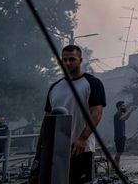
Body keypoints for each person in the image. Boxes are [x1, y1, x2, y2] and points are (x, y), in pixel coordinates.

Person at [34, 45, 106, 184]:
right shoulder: (55, 87)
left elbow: (96, 113)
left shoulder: (92, 83)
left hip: (80, 149)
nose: (67, 63)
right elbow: (47, 119)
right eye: (64, 60)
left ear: (80, 60)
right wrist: (39, 151)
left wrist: (82, 139)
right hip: (54, 150)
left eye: (72, 59)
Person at [113, 101, 137, 167]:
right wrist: (130, 111)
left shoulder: (120, 114)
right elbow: (124, 118)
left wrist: (130, 106)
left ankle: (116, 166)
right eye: (123, 106)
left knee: (119, 153)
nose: (124, 107)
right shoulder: (117, 115)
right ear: (118, 107)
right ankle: (115, 166)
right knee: (119, 153)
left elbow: (125, 116)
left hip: (121, 136)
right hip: (119, 137)